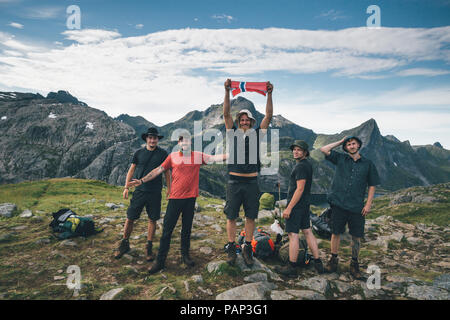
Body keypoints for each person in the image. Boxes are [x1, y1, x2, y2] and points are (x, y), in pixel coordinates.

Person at [127, 135, 227, 274]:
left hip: (190, 199)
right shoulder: (172, 157)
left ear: (190, 143)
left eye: (187, 140)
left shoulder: (197, 156)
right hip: (175, 199)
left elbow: (214, 158)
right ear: (179, 143)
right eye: (182, 141)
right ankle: (160, 261)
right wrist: (142, 181)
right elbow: (158, 170)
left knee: (186, 229)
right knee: (167, 230)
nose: (185, 143)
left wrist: (233, 153)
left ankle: (185, 256)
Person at [223, 78, 273, 267]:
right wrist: (227, 91)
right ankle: (231, 246)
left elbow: (268, 116)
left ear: (252, 122)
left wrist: (269, 94)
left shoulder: (257, 134)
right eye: (241, 120)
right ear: (239, 122)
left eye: (247, 120)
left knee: (251, 216)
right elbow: (226, 113)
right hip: (234, 182)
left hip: (252, 183)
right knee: (231, 216)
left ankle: (246, 247)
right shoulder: (232, 133)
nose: (244, 122)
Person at [320, 136, 380, 279]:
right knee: (335, 232)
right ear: (346, 148)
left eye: (353, 144)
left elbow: (372, 185)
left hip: (357, 207)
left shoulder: (368, 164)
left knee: (357, 236)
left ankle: (354, 264)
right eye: (348, 145)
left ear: (358, 145)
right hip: (339, 204)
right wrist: (341, 141)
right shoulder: (340, 158)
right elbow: (324, 149)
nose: (351, 146)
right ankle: (333, 260)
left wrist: (368, 204)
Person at [114, 128, 170, 262]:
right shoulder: (138, 153)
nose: (152, 140)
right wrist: (126, 187)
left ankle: (148, 247)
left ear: (157, 139)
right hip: (139, 191)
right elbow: (131, 170)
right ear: (146, 139)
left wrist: (169, 189)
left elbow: (167, 172)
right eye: (150, 138)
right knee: (130, 217)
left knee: (152, 219)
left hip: (155, 192)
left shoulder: (163, 154)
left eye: (155, 138)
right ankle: (124, 243)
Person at [275, 140, 325, 277]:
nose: (295, 152)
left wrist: (289, 208)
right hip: (304, 205)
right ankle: (318, 262)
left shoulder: (300, 167)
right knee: (308, 232)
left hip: (296, 206)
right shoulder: (307, 165)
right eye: (294, 149)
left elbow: (300, 188)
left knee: (293, 234)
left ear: (305, 152)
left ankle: (291, 266)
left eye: (299, 150)